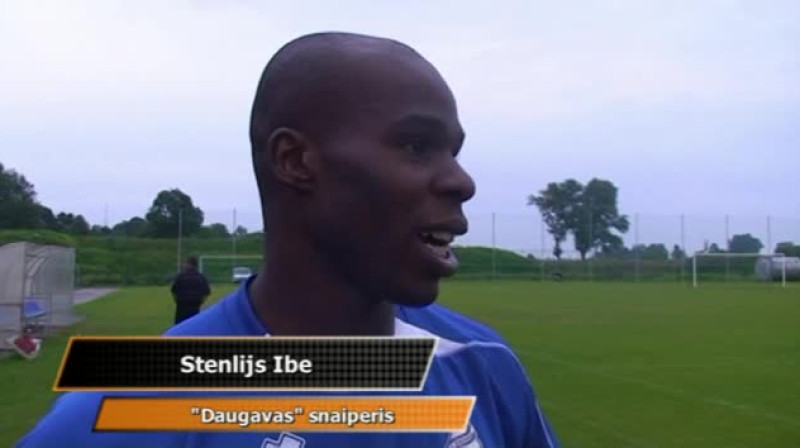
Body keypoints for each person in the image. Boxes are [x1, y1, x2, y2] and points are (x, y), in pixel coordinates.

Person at [17, 32, 559, 448]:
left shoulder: (483, 363)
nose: (462, 181)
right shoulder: (126, 413)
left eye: (453, 152)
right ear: (295, 160)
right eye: (417, 146)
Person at [170, 256, 211, 324]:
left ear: (189, 264)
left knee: (181, 325)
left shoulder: (181, 276)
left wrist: (177, 300)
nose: (184, 265)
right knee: (193, 324)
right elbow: (206, 292)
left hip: (182, 305)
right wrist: (200, 301)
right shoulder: (201, 277)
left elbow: (174, 291)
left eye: (185, 263)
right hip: (195, 305)